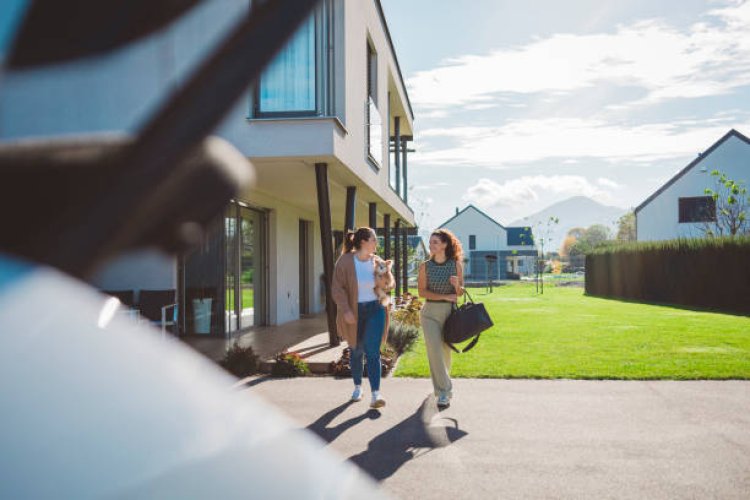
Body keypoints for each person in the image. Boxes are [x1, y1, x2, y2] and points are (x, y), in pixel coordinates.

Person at [331, 227, 390, 409]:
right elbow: (337, 288)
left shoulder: (377, 261)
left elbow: (390, 283)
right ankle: (358, 386)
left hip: (375, 309)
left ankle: (376, 394)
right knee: (356, 351)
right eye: (374, 239)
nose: (376, 243)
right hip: (354, 312)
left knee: (372, 352)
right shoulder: (346, 261)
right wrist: (346, 310)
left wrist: (386, 277)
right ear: (363, 242)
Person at [417, 229, 464, 409]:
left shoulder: (456, 265)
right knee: (435, 351)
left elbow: (459, 293)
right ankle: (444, 392)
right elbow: (422, 292)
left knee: (445, 352)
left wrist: (457, 285)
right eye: (430, 242)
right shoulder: (425, 266)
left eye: (435, 242)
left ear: (444, 244)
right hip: (429, 314)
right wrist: (444, 297)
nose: (431, 245)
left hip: (450, 314)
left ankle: (442, 382)